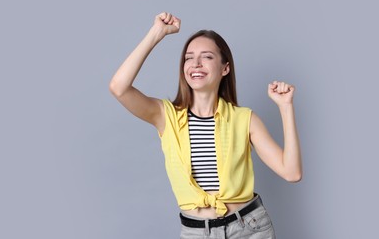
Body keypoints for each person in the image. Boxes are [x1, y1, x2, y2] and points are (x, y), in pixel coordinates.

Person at [109, 12, 302, 238]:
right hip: (196, 232)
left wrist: (286, 107)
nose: (196, 63)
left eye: (207, 57)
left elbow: (291, 173)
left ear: (225, 68)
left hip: (250, 229)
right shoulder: (165, 116)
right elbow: (118, 87)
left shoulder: (245, 119)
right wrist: (157, 33)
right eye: (189, 58)